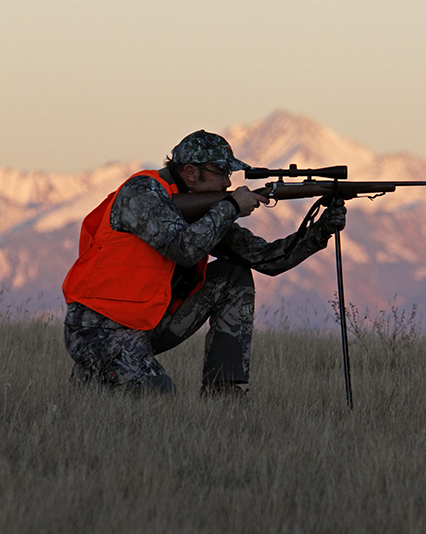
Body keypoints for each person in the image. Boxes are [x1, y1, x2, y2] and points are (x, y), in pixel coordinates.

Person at [62, 130, 346, 395]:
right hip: (98, 328)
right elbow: (182, 248)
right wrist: (231, 207)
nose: (228, 182)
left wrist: (320, 232)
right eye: (222, 173)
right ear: (190, 172)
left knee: (232, 276)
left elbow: (267, 259)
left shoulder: (203, 211)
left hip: (147, 324)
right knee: (157, 401)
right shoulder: (141, 193)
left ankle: (222, 391)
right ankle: (99, 369)